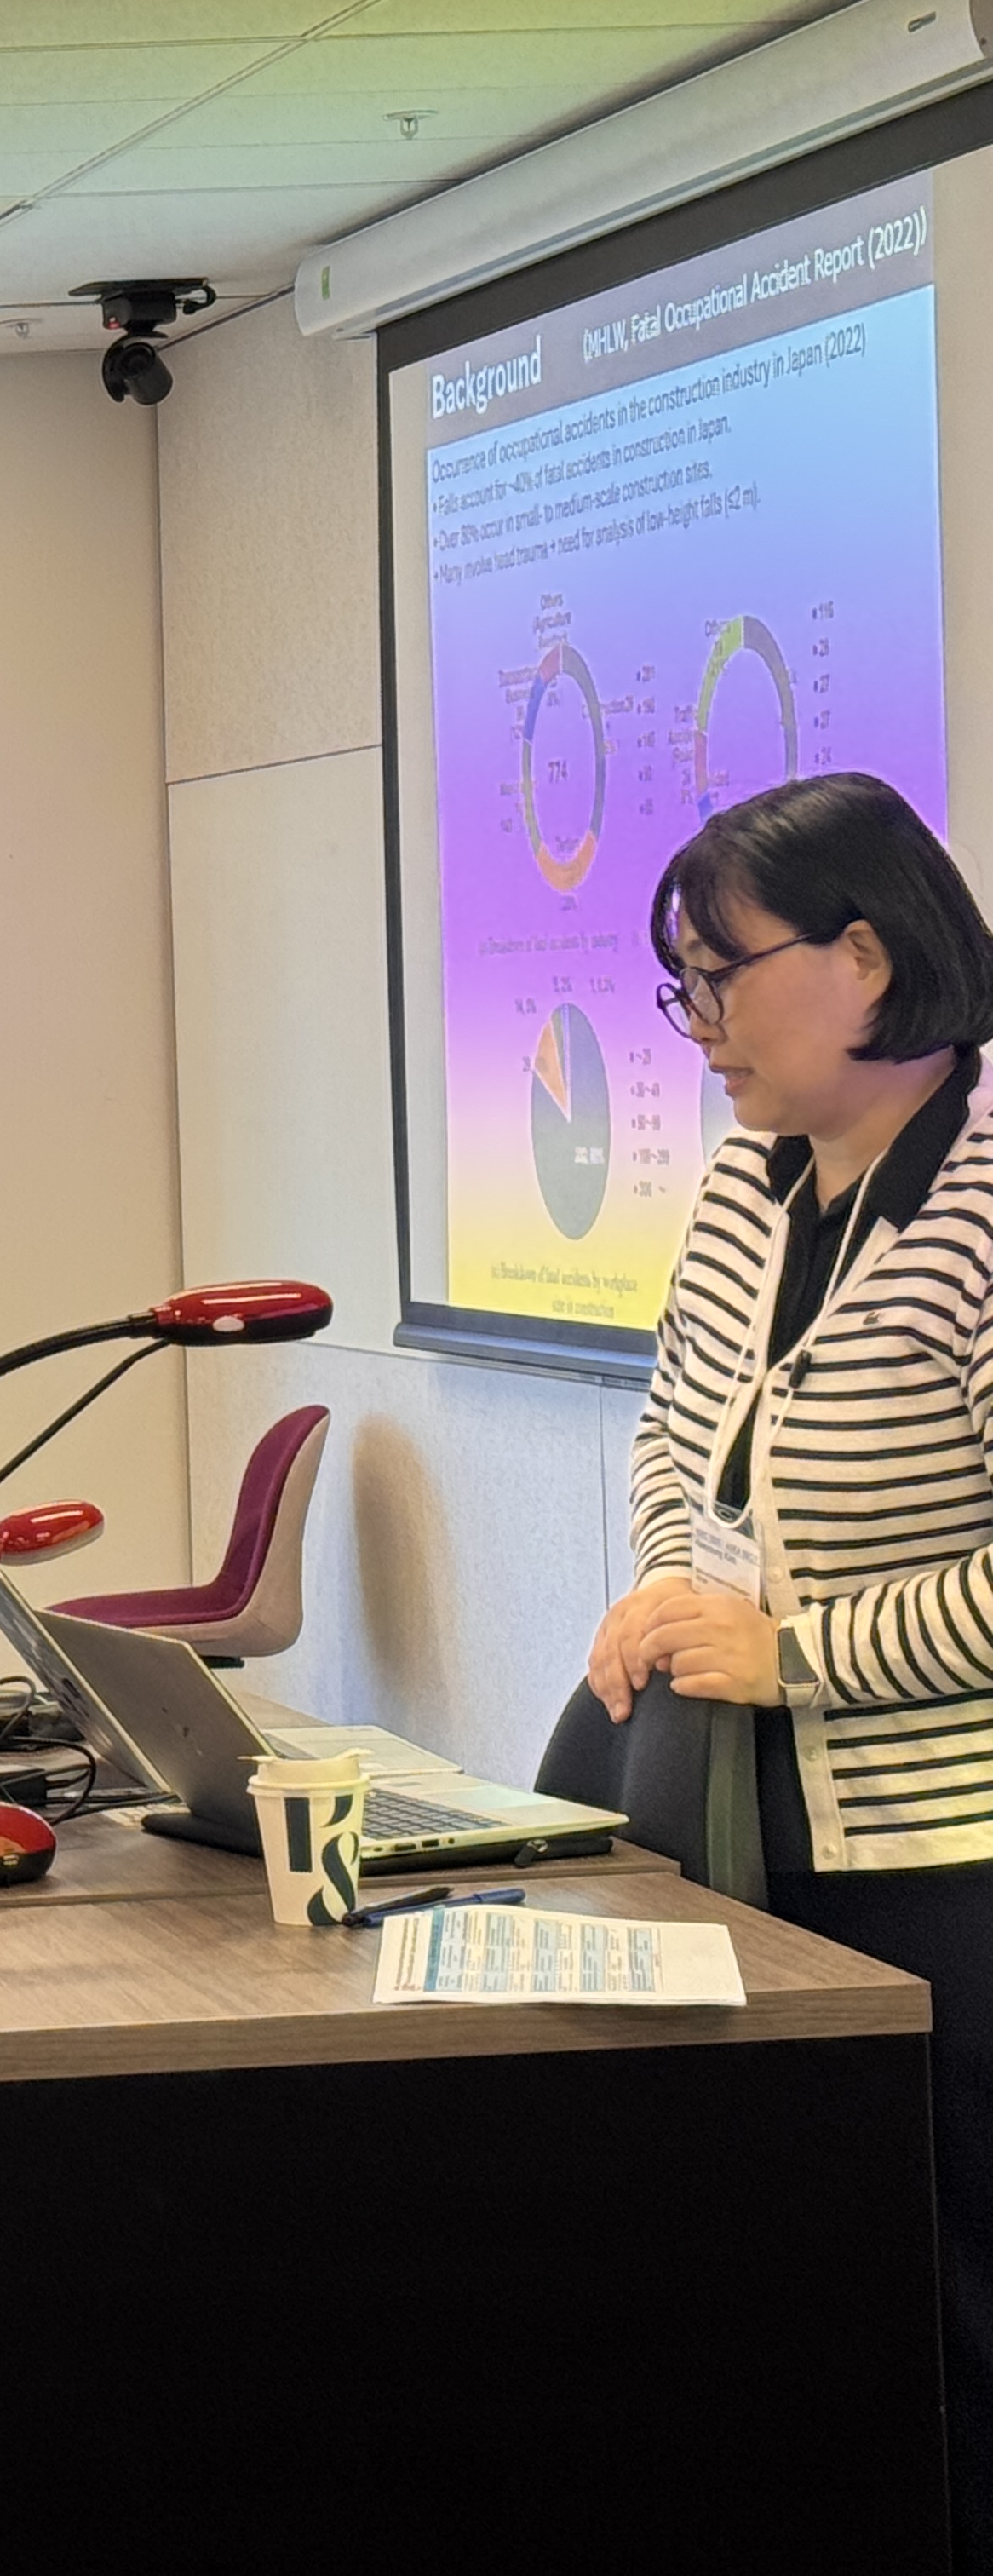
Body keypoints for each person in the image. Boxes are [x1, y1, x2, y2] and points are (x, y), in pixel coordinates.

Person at [584, 770, 993, 2558]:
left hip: (946, 1854)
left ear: (866, 955)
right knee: (796, 2281)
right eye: (677, 984)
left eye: (721, 976)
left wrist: (795, 1650)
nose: (697, 1025)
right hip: (746, 1813)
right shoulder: (748, 1186)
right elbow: (672, 1429)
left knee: (953, 2293)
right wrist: (671, 1587)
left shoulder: (981, 1199)